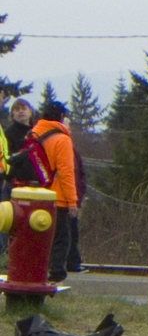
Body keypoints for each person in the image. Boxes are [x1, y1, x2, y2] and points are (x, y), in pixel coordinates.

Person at [31, 100, 81, 281]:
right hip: (56, 196)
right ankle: (56, 272)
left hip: (33, 194)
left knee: (39, 234)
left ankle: (36, 269)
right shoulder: (62, 139)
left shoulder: (33, 135)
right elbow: (66, 172)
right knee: (61, 238)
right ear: (61, 116)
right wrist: (72, 201)